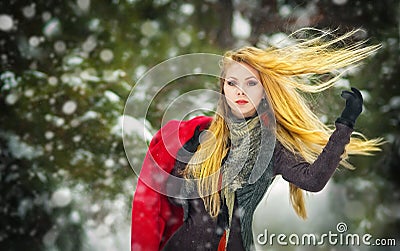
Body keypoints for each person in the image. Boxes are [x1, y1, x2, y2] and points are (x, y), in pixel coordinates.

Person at [130, 30, 383, 251]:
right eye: (232, 83)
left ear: (264, 91)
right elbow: (163, 197)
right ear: (223, 88)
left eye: (251, 83)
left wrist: (345, 125)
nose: (240, 91)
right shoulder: (197, 138)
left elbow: (313, 180)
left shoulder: (270, 147)